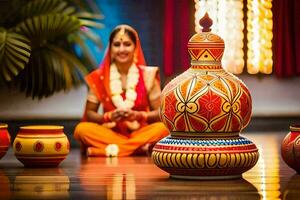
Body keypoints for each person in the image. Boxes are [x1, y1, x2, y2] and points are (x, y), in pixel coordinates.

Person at [74, 24, 169, 157]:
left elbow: (161, 113)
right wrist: (108, 117)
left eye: (127, 44)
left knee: (163, 129)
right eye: (117, 44)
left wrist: (139, 115)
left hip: (140, 131)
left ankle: (105, 150)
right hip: (110, 132)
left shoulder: (148, 75)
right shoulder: (99, 77)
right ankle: (138, 149)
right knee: (81, 130)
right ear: (110, 48)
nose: (122, 49)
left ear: (135, 48)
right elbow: (89, 114)